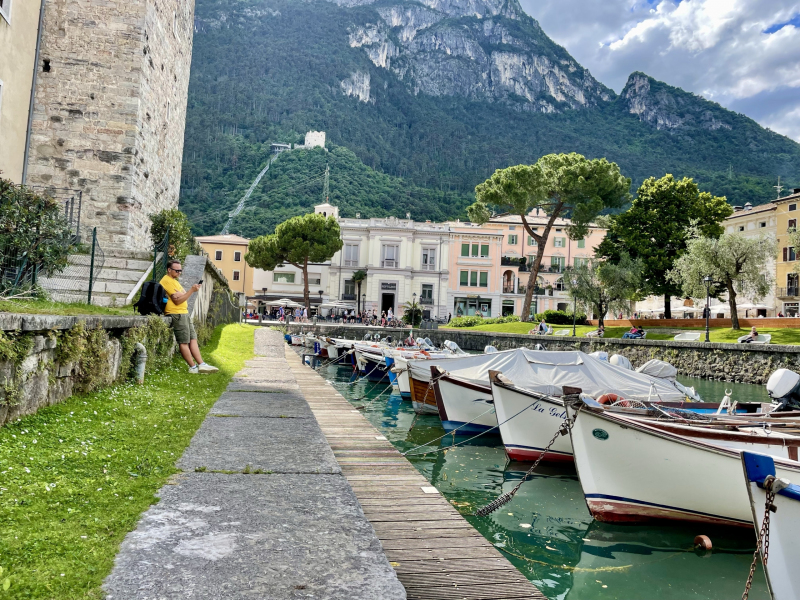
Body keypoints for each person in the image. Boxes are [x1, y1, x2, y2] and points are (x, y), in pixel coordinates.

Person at [160, 260, 218, 374]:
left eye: (180, 270)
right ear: (169, 270)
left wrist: (185, 294)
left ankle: (201, 364)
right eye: (176, 270)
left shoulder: (174, 281)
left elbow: (182, 296)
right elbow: (178, 300)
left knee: (193, 338)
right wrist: (191, 290)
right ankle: (192, 367)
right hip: (176, 313)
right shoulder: (166, 281)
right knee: (184, 341)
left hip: (183, 313)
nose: (179, 272)